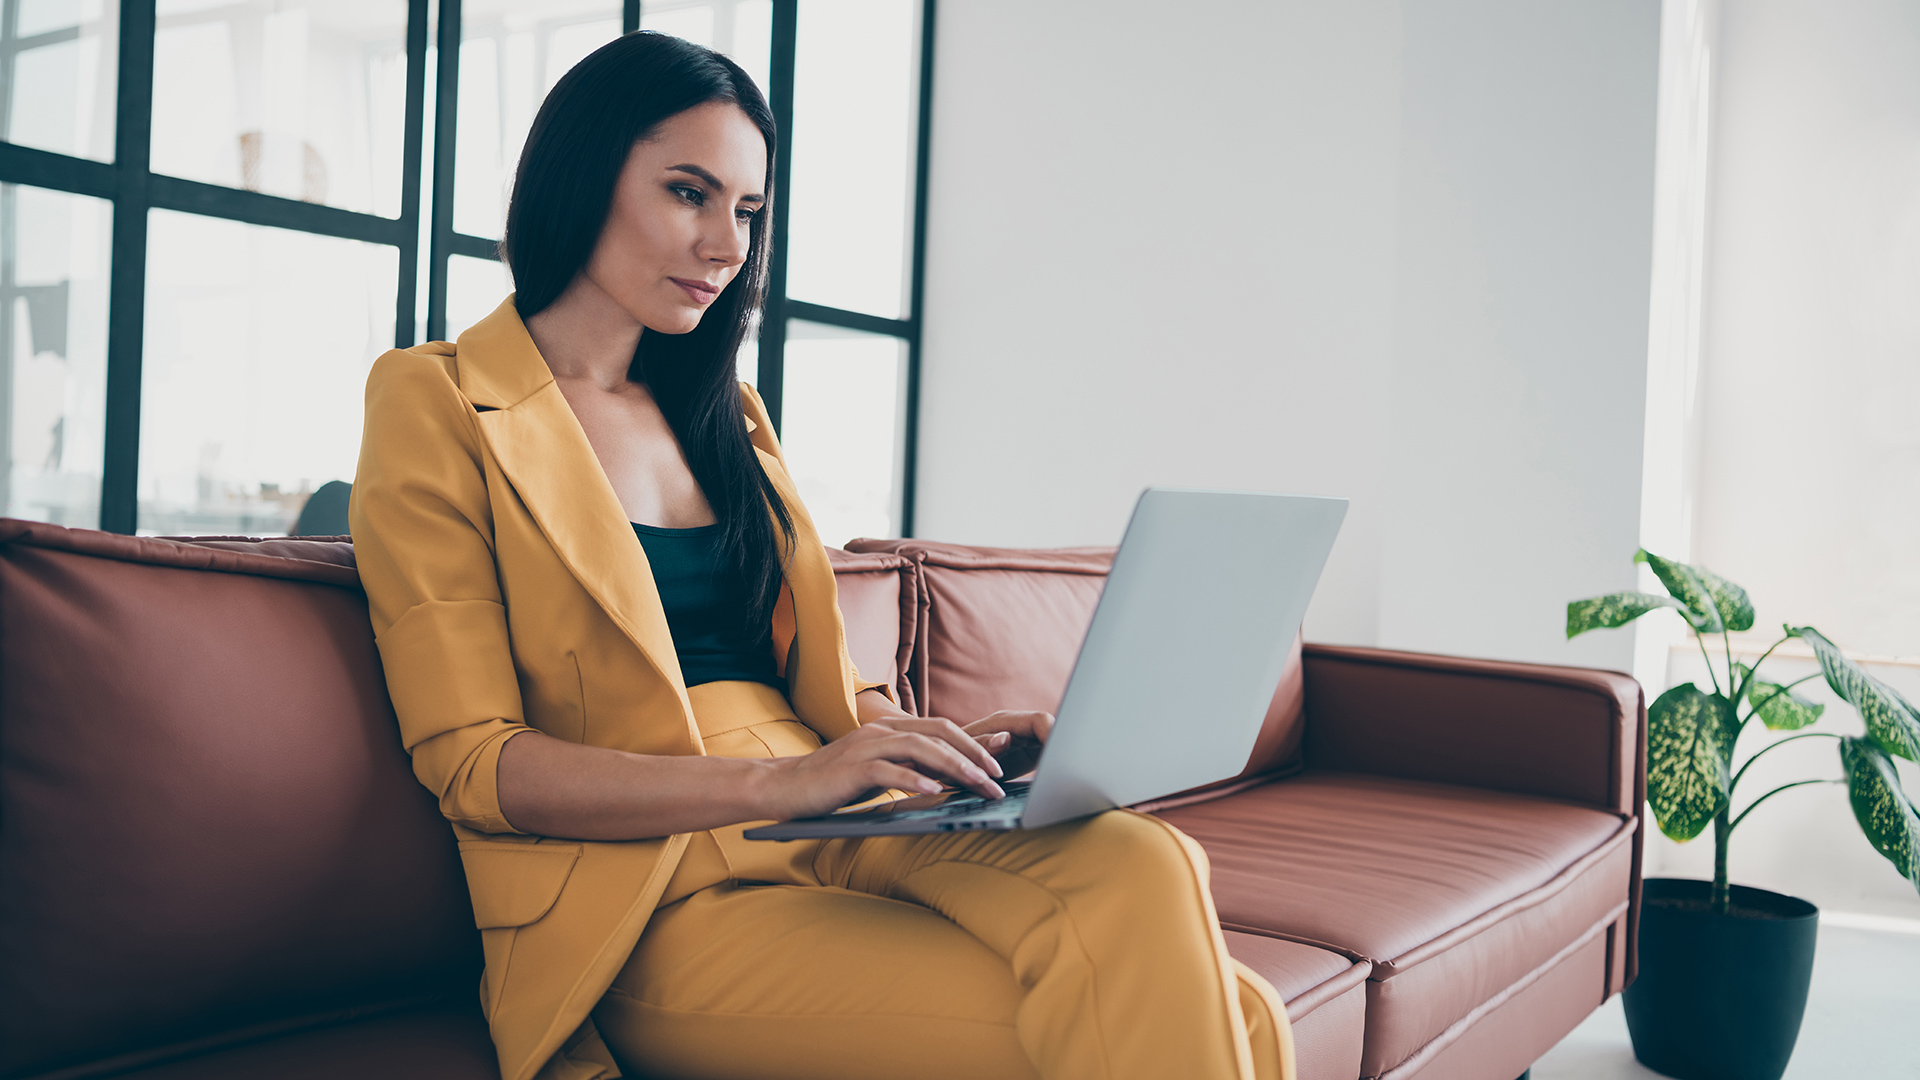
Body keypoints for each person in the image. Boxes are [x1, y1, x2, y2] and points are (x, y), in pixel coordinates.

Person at [350, 30, 1294, 1080]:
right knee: (1230, 1019)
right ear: (584, 173)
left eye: (747, 211)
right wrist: (785, 783)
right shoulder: (435, 400)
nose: (726, 245)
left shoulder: (727, 414)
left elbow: (821, 688)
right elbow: (479, 766)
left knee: (1140, 856)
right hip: (642, 893)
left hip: (836, 814)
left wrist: (944, 749)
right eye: (688, 192)